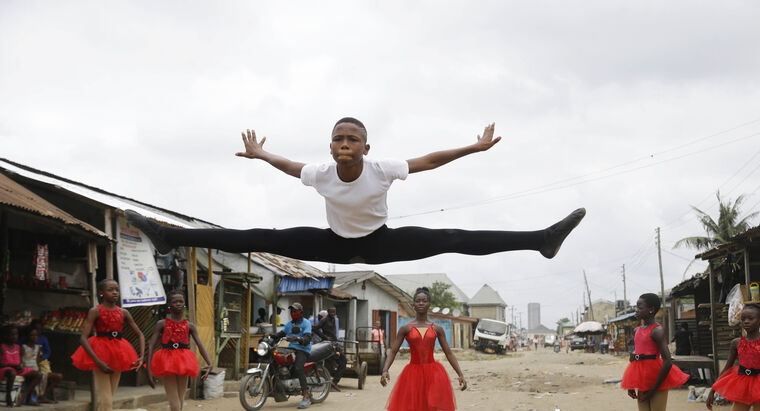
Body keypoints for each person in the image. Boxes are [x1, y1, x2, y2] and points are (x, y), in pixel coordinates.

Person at [125, 119, 585, 265]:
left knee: (451, 237)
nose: (344, 144)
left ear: (366, 147)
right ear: (331, 146)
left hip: (381, 243)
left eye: (352, 140)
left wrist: (476, 147)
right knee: (258, 235)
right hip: (332, 244)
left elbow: (430, 160)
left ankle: (541, 239)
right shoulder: (322, 172)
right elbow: (289, 166)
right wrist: (262, 157)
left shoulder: (383, 168)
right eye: (337, 139)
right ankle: (171, 237)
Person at [381, 287, 467, 411]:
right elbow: (393, 350)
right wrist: (385, 370)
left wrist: (460, 374)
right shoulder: (406, 328)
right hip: (413, 373)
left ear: (429, 304)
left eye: (424, 300)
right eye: (418, 301)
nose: (421, 303)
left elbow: (448, 352)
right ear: (413, 304)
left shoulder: (437, 328)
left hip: (434, 373)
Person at [71, 279, 146, 411]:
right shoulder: (95, 311)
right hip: (101, 354)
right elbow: (83, 338)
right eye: (110, 289)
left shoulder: (124, 312)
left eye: (117, 289)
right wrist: (97, 361)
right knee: (106, 401)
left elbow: (140, 334)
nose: (115, 292)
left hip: (119, 353)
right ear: (101, 293)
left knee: (107, 402)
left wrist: (141, 357)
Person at [621, 293, 689, 411]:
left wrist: (653, 390)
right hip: (641, 378)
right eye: (636, 307)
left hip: (657, 380)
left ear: (651, 310)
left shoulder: (657, 330)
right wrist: (631, 384)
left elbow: (667, 360)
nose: (636, 311)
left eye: (640, 307)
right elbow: (637, 358)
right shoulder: (638, 330)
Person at [147, 291, 213, 411]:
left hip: (184, 362)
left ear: (184, 304)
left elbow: (199, 344)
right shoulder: (161, 324)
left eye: (181, 301)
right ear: (169, 305)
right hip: (167, 362)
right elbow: (150, 345)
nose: (178, 304)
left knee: (179, 405)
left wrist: (209, 363)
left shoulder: (190, 325)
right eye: (175, 301)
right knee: (175, 405)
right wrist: (149, 370)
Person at [273, 302, 313, 408]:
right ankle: (278, 389)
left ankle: (306, 396)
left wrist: (299, 339)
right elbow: (281, 333)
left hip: (303, 349)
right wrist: (271, 336)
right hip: (291, 348)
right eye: (292, 311)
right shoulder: (290, 324)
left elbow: (308, 338)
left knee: (299, 368)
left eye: (295, 311)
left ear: (301, 312)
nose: (293, 313)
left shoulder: (306, 323)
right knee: (275, 360)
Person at [1, 326, 42, 407]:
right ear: (5, 336)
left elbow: (19, 361)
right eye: (12, 334)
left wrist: (20, 366)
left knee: (38, 374)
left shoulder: (18, 347)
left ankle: (24, 397)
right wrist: (13, 365)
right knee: (11, 373)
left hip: (16, 369)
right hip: (4, 370)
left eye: (16, 334)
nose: (14, 336)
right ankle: (8, 397)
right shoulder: (2, 347)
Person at [21, 327, 62, 404]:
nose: (34, 337)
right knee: (38, 375)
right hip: (27, 370)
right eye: (32, 335)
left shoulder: (38, 348)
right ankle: (26, 397)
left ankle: (42, 396)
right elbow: (21, 362)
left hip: (37, 370)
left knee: (58, 376)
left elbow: (37, 362)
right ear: (27, 336)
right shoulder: (23, 347)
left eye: (36, 335)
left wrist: (39, 369)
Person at [313, 307, 346, 392]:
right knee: (331, 362)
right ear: (328, 312)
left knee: (342, 361)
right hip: (328, 344)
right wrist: (324, 337)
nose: (332, 313)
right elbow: (315, 328)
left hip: (334, 343)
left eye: (334, 312)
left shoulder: (334, 319)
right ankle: (329, 383)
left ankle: (334, 382)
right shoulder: (324, 320)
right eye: (331, 312)